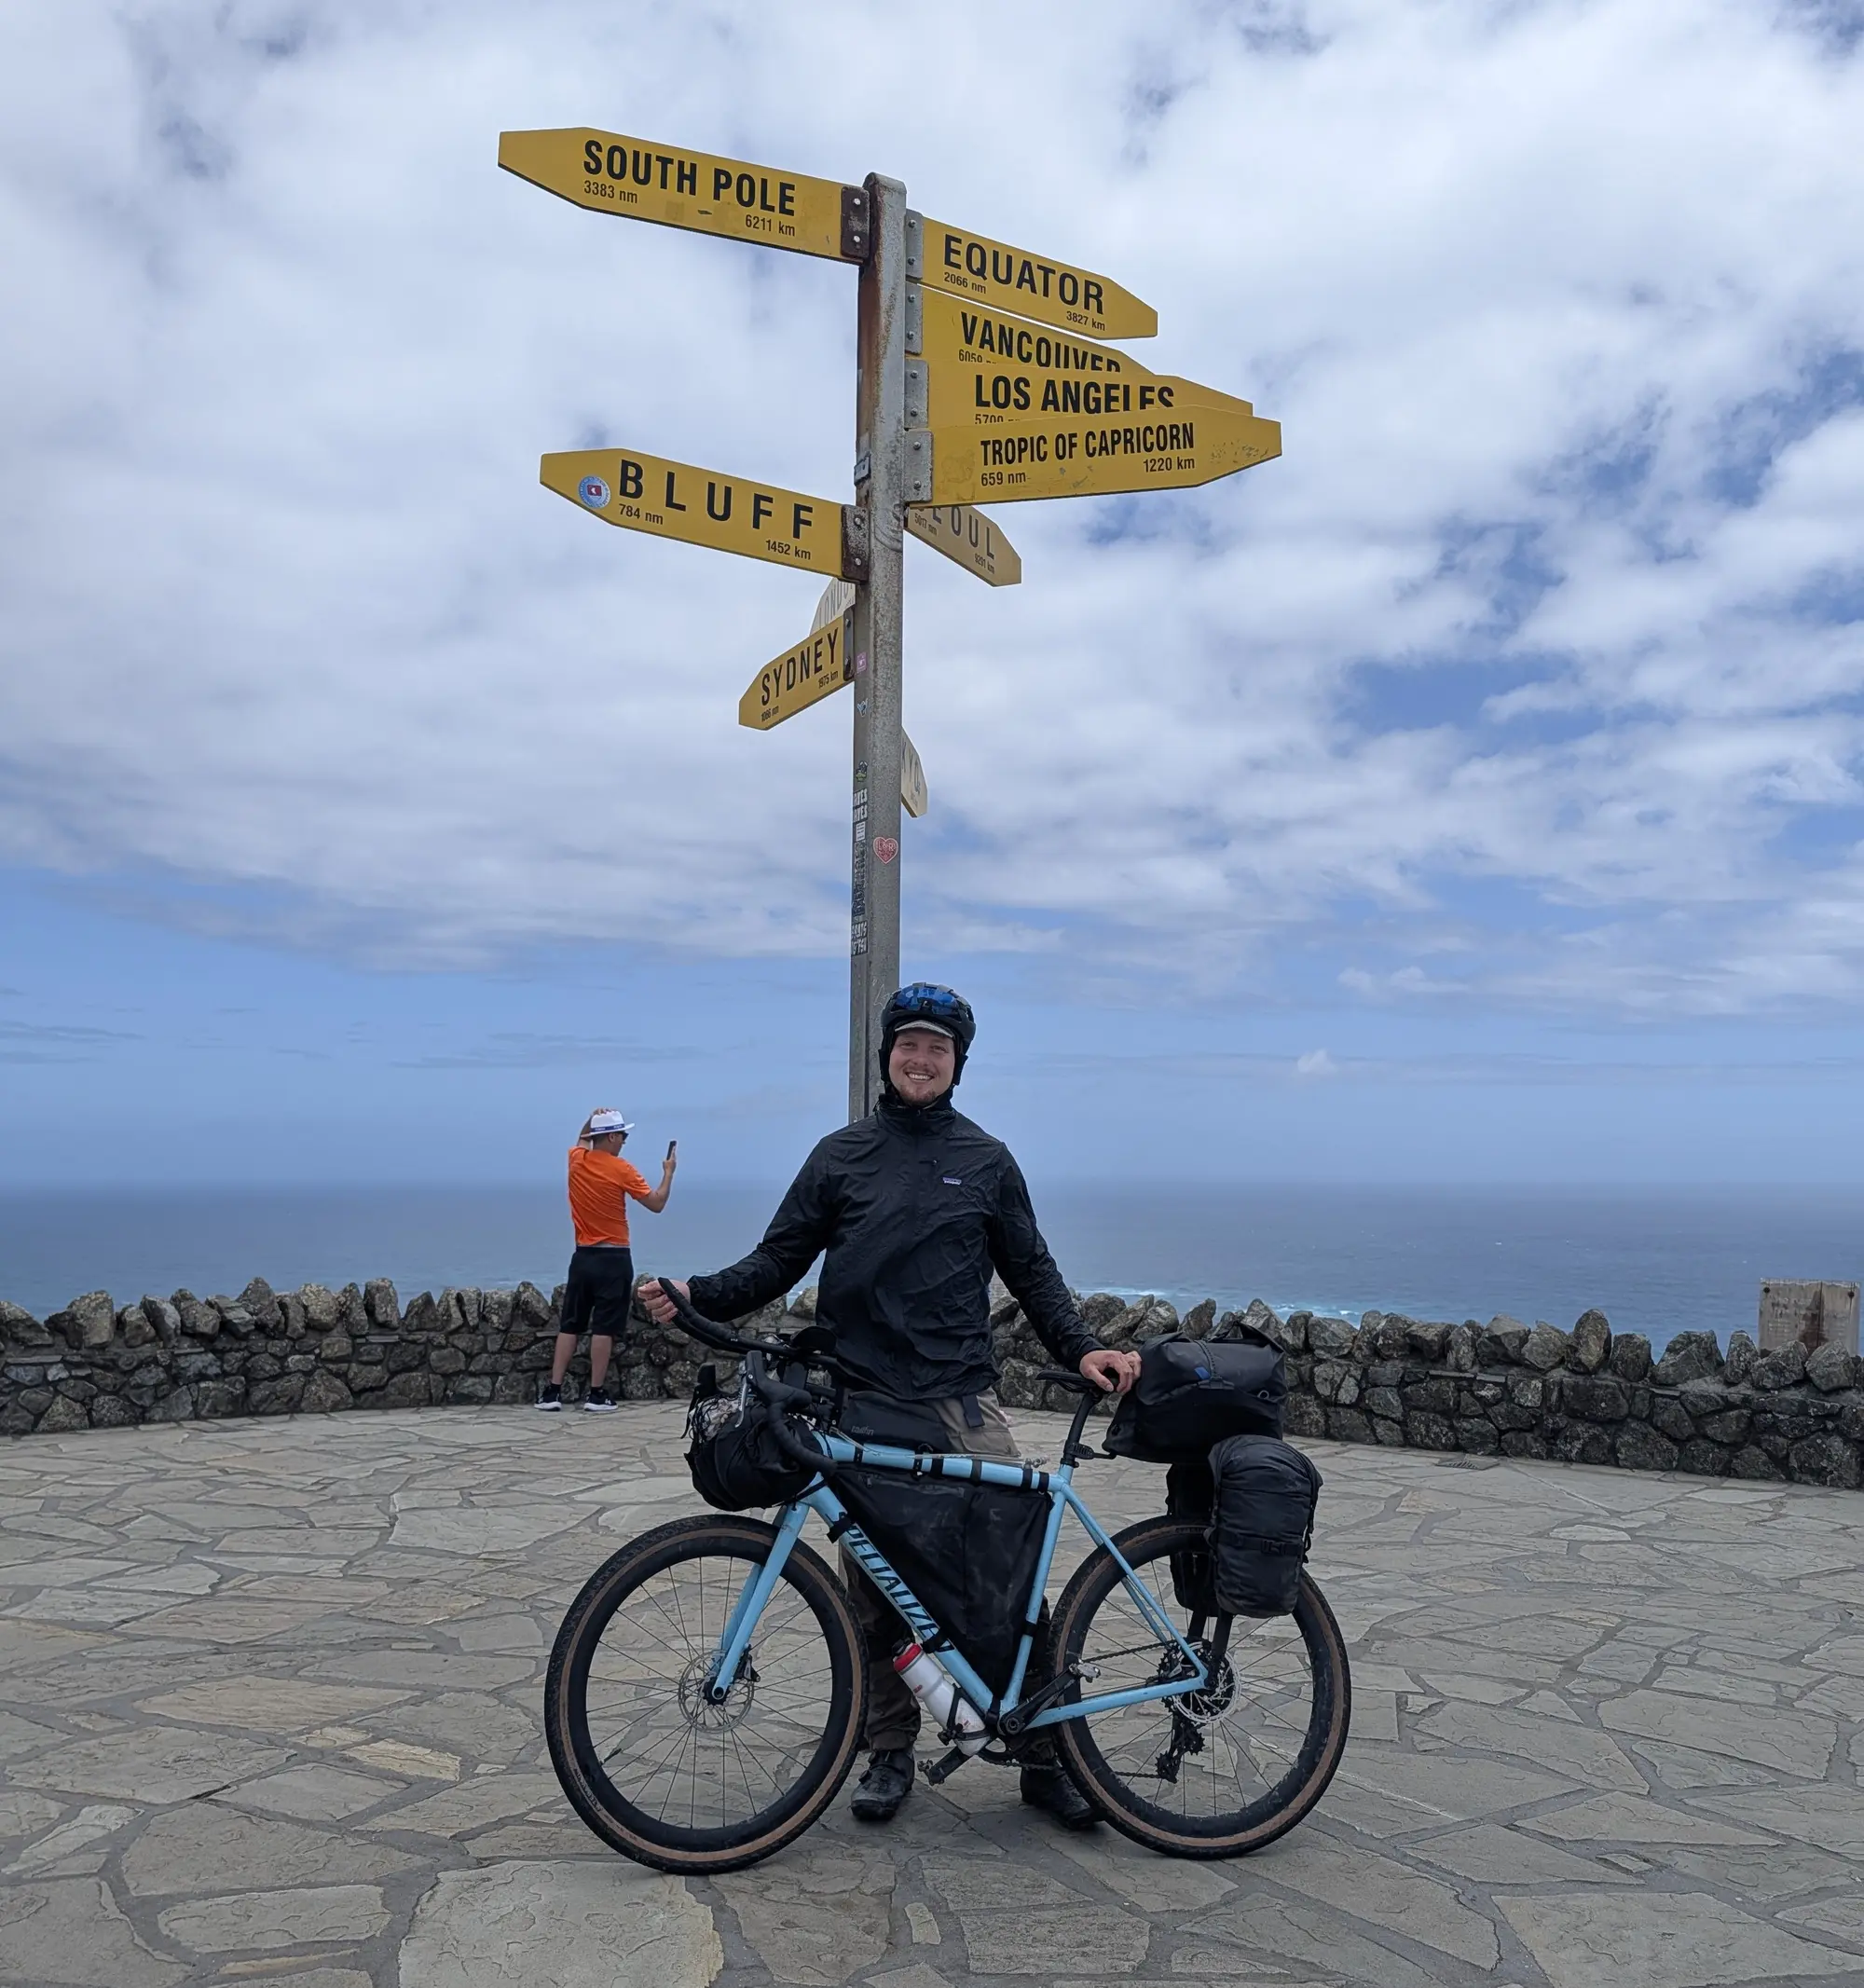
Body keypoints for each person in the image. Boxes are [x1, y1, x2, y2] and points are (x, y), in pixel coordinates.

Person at [643, 983, 1138, 1830]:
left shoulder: (987, 1160)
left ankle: (1050, 1755)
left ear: (958, 1064)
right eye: (908, 1044)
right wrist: (700, 1294)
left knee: (1005, 1581)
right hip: (860, 1396)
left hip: (958, 1401)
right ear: (887, 1056)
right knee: (872, 1589)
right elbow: (777, 1259)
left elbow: (1034, 1273)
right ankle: (888, 1749)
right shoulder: (842, 1155)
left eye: (937, 1049)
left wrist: (1080, 1345)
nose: (920, 1059)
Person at [539, 1107, 677, 1414]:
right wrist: (668, 1173)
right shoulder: (622, 1169)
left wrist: (590, 1118)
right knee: (603, 1328)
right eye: (622, 1135)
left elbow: (581, 1140)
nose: (624, 1141)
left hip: (583, 1256)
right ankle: (596, 1394)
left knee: (570, 1324)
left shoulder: (577, 1161)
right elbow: (656, 1204)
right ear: (611, 1136)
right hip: (614, 1256)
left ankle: (552, 1392)